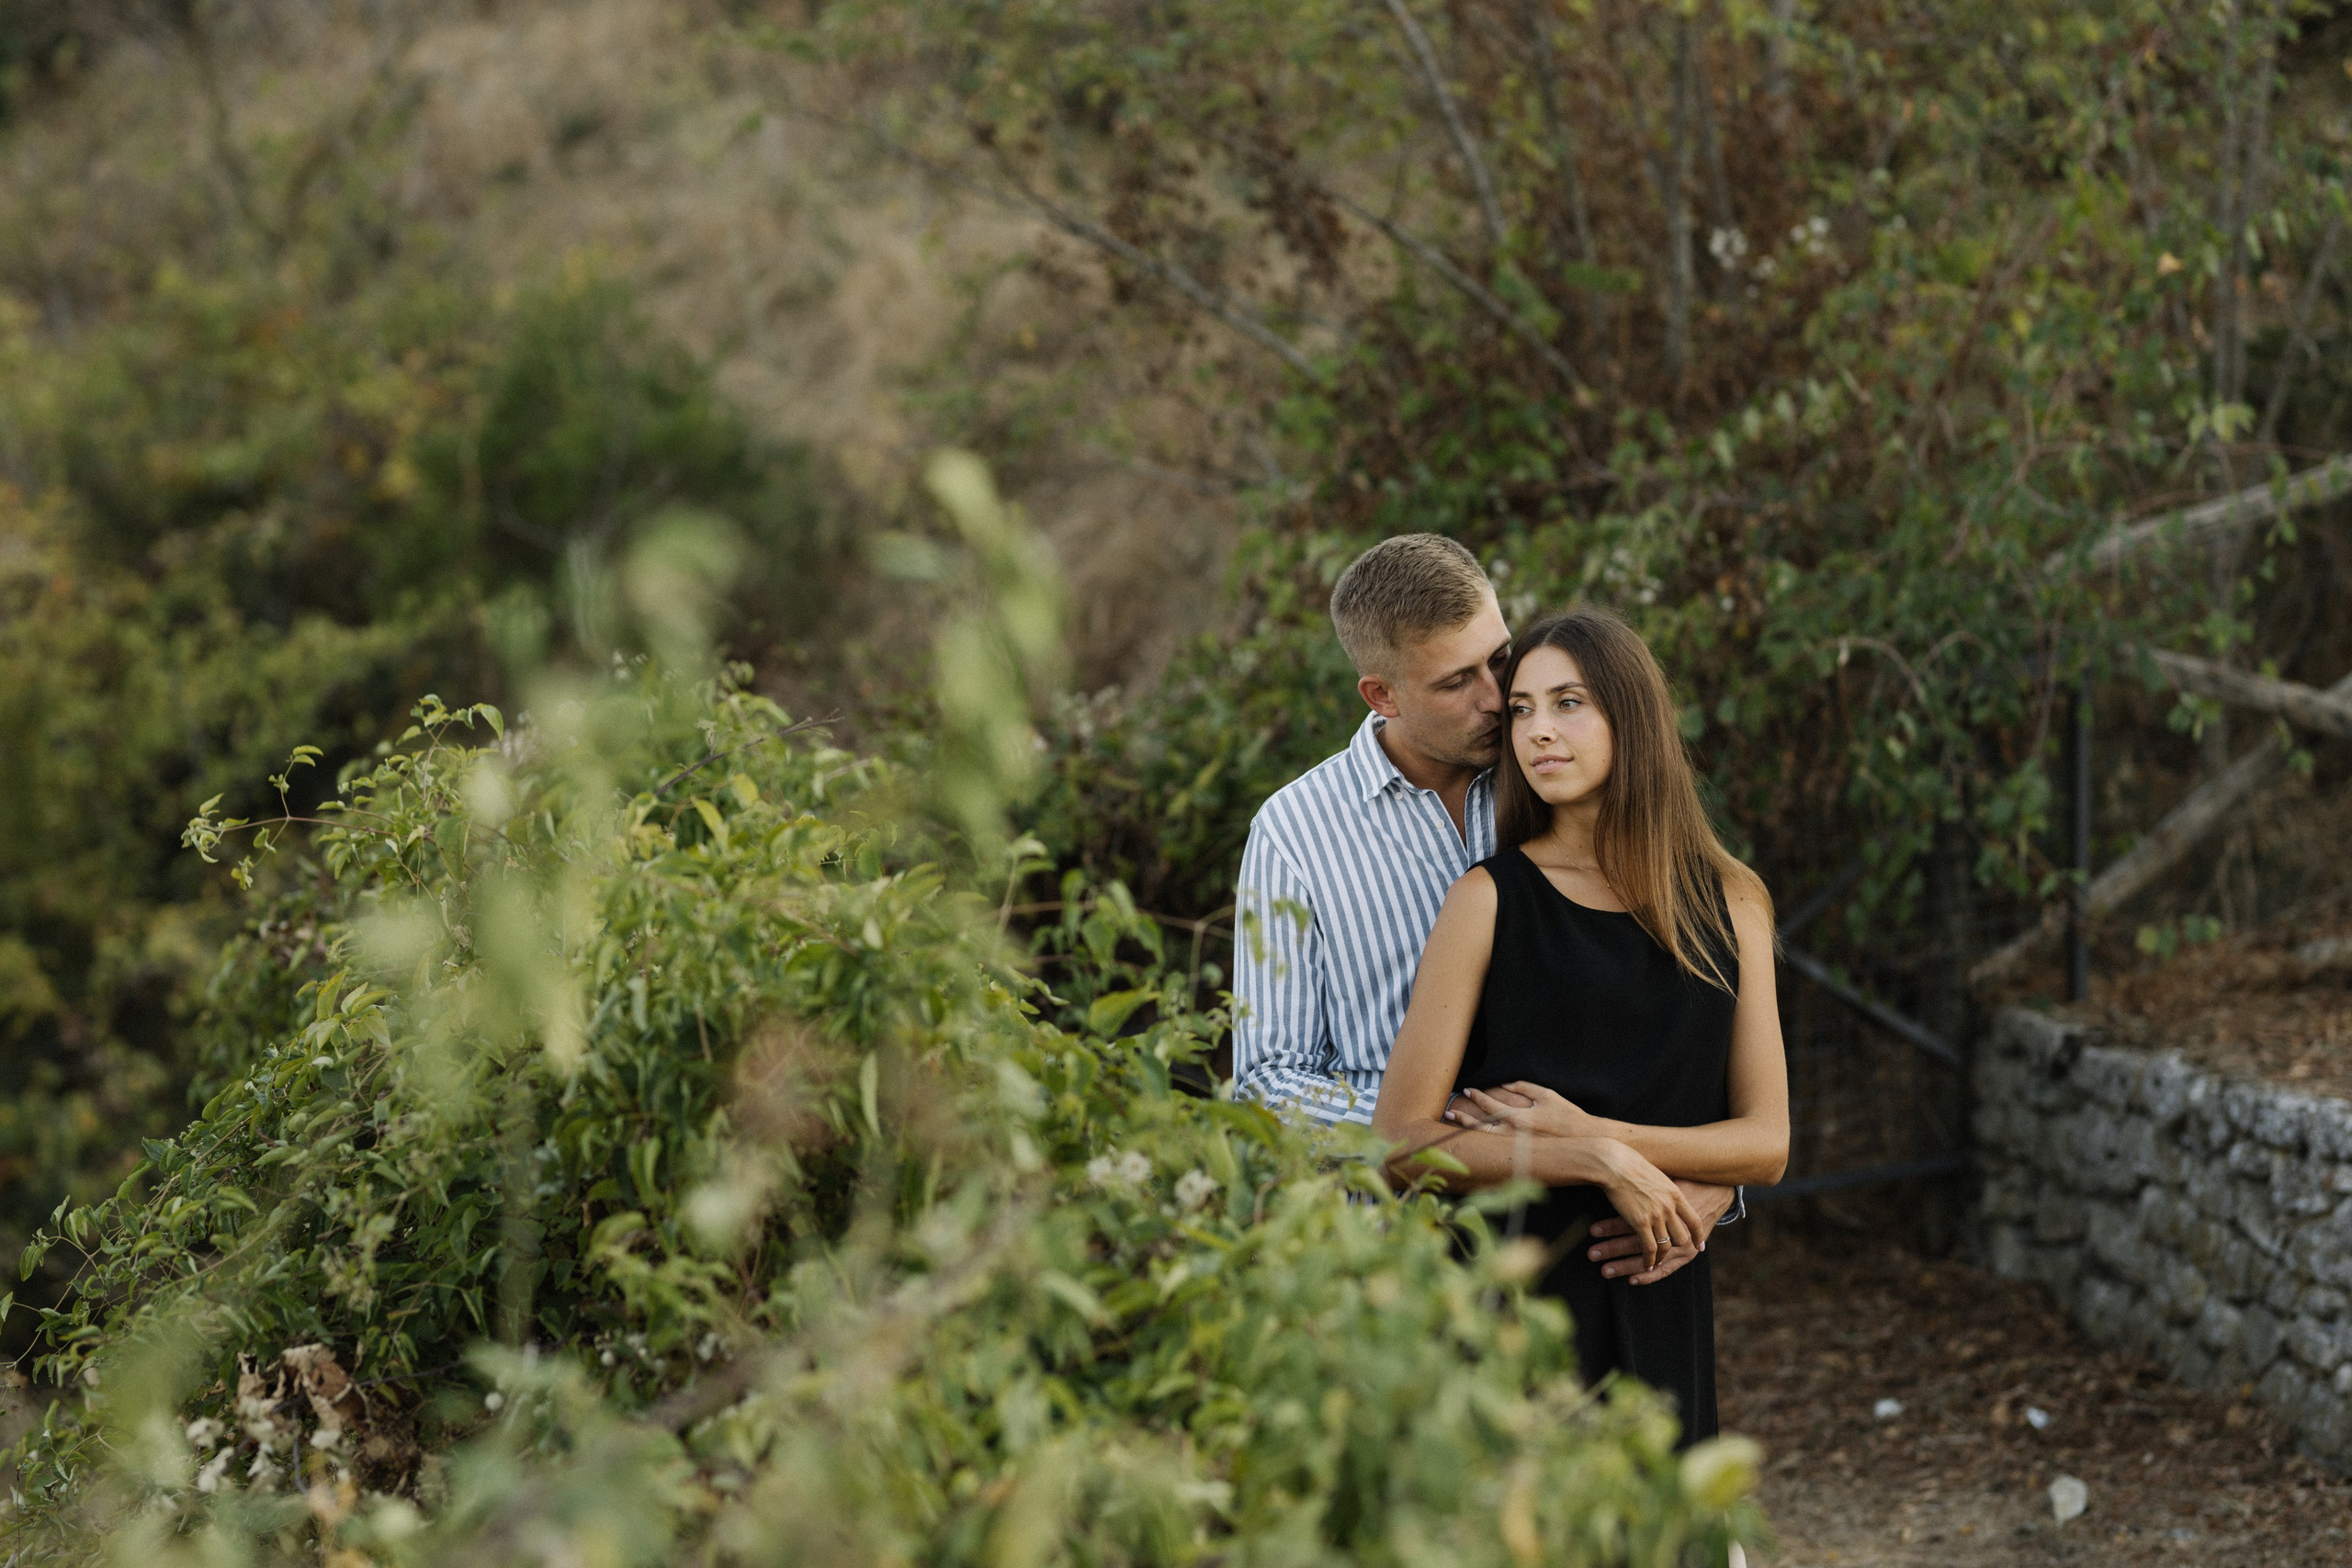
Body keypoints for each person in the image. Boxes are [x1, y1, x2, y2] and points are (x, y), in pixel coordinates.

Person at [1232, 536, 1742, 1287]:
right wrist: (1458, 1126)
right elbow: (1268, 1081)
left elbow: (1665, 994)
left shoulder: (1556, 769)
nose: (1496, 698)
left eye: (1499, 659)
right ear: (1383, 695)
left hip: (1583, 1244)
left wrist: (1710, 1179)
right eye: (1455, 681)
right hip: (1395, 1258)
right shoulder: (1294, 832)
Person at [1369, 606, 1790, 1447]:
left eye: (1569, 703)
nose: (1538, 732)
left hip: (1659, 1282)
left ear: (1630, 715)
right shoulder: (1488, 900)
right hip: (1514, 1306)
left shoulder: (1731, 899)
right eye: (1522, 708)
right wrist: (1593, 1156)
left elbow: (1766, 1142)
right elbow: (1400, 1145)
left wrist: (1609, 1136)